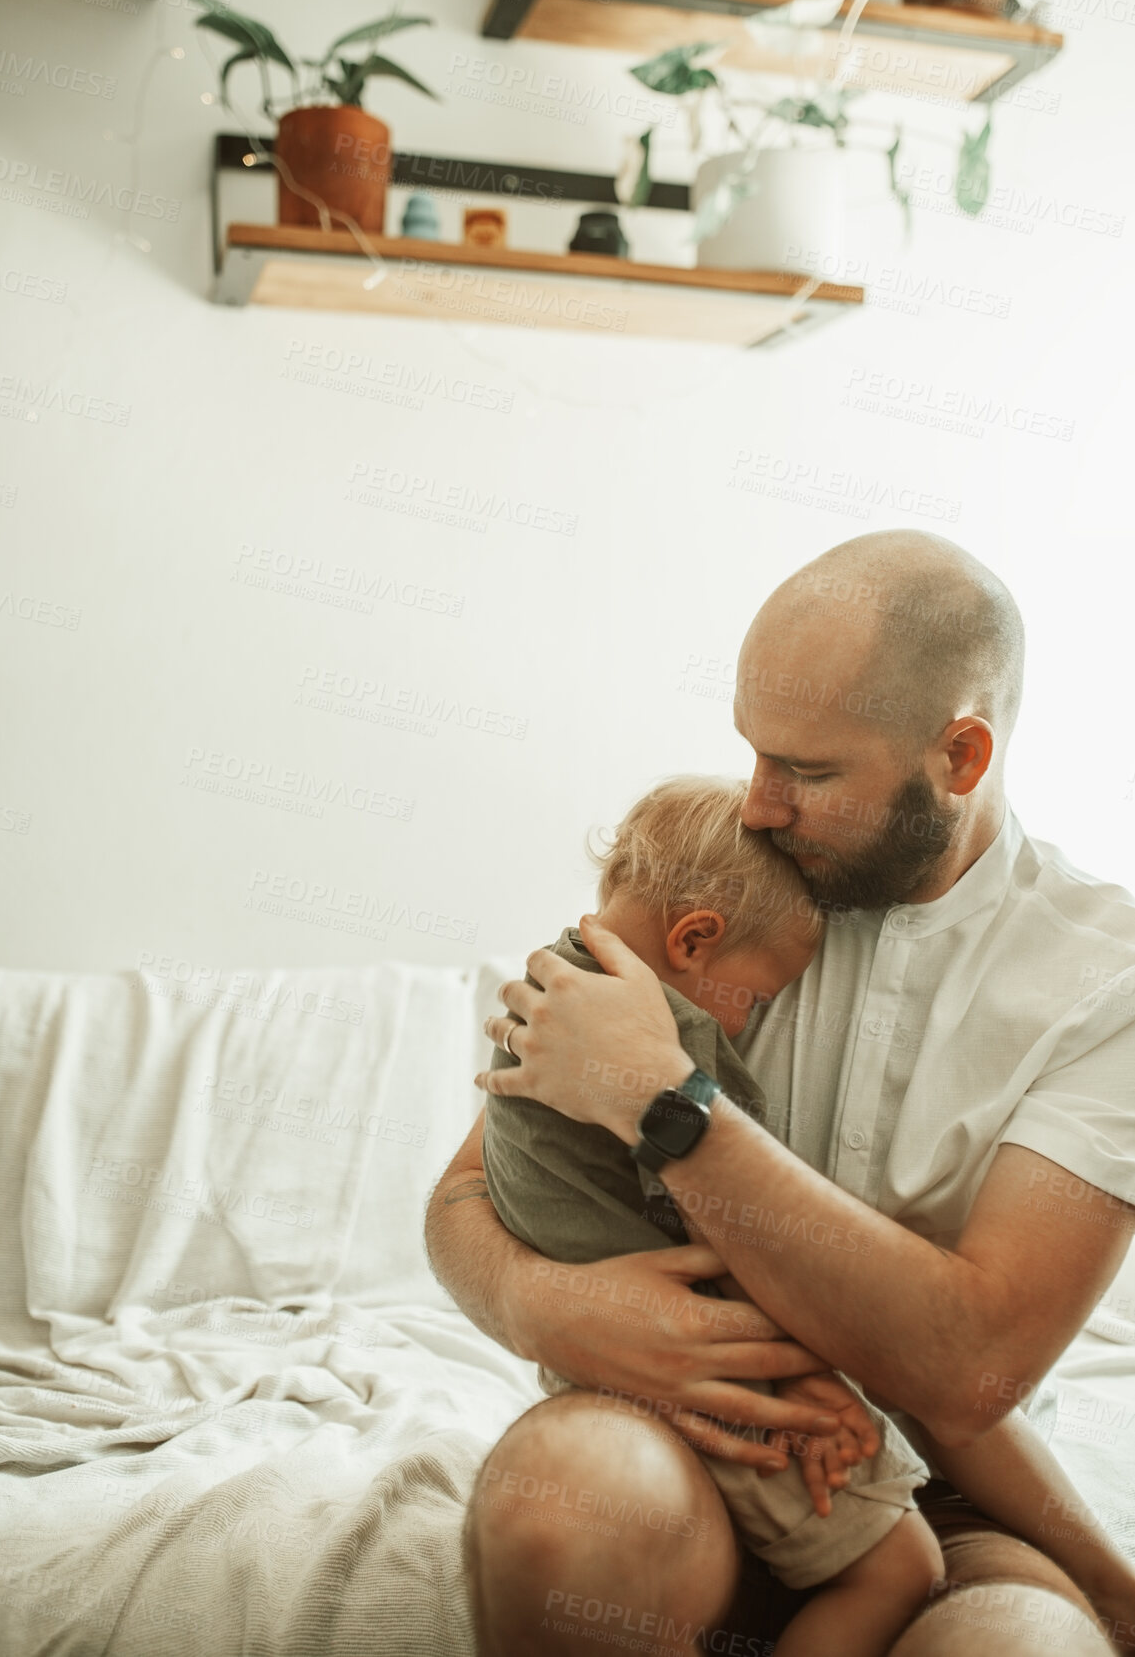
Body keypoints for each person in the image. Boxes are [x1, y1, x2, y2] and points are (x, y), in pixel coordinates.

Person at [427, 530, 1135, 1657]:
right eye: (755, 753)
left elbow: (973, 1364)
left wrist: (670, 1100)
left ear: (958, 755)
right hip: (677, 1439)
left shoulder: (1107, 982)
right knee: (564, 1503)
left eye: (806, 772)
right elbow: (467, 1191)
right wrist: (538, 1303)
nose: (758, 803)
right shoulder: (718, 896)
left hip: (943, 1500)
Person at [482, 776, 944, 1657]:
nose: (756, 1019)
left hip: (589, 1367)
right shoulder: (670, 1041)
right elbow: (737, 1234)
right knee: (901, 1569)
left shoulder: (538, 1000)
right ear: (695, 939)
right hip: (702, 1360)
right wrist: (809, 1383)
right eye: (760, 995)